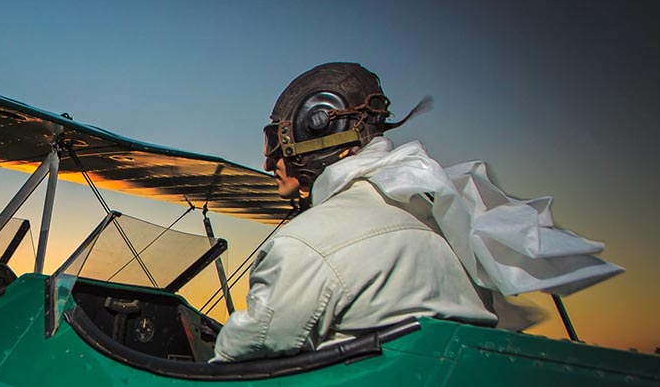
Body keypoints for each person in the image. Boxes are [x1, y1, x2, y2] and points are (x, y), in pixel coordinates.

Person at [212, 63, 622, 362]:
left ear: (310, 134)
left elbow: (238, 356)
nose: (271, 162)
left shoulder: (301, 245)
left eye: (276, 142)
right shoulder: (446, 228)